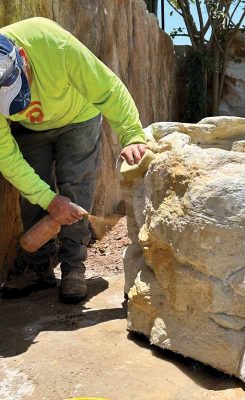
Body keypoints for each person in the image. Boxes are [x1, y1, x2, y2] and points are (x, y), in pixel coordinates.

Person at [0, 17, 147, 303]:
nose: (22, 104)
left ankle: (73, 268)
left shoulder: (53, 43)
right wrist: (49, 201)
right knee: (33, 195)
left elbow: (107, 87)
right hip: (30, 130)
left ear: (22, 58)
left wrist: (132, 135)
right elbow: (6, 156)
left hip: (79, 116)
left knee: (75, 187)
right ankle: (36, 268)